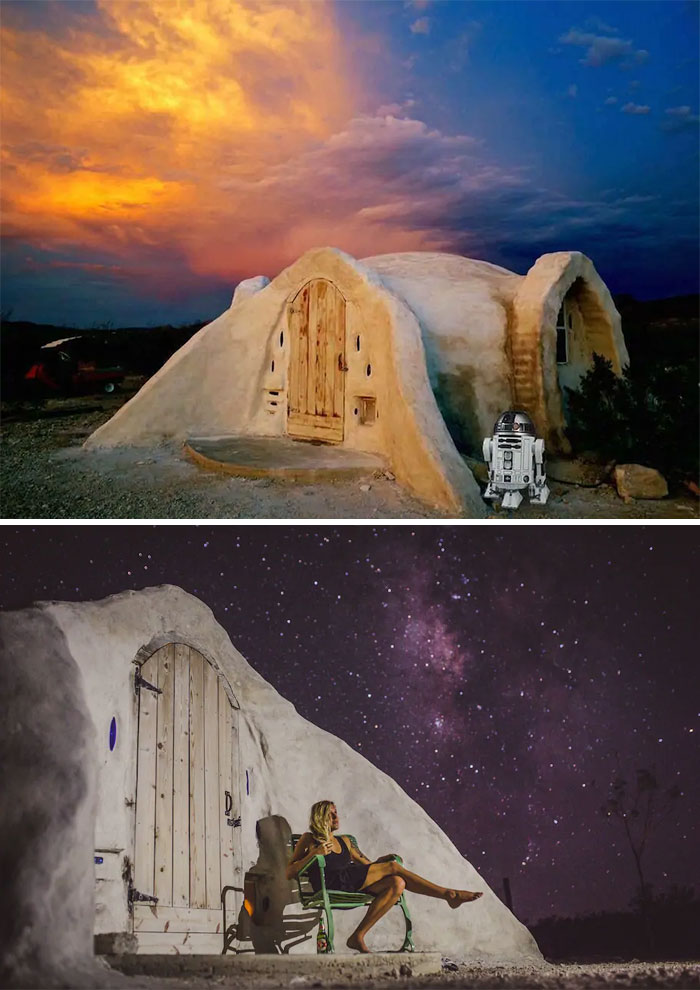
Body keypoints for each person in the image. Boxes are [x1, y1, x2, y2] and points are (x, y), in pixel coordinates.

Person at [286, 799, 482, 953]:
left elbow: (368, 866)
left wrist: (380, 861)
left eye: (337, 813)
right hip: (330, 883)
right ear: (321, 817)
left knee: (397, 882)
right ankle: (449, 894)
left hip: (352, 882)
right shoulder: (309, 839)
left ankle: (358, 936)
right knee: (392, 868)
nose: (337, 817)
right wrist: (313, 854)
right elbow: (289, 872)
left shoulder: (345, 841)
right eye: (332, 814)